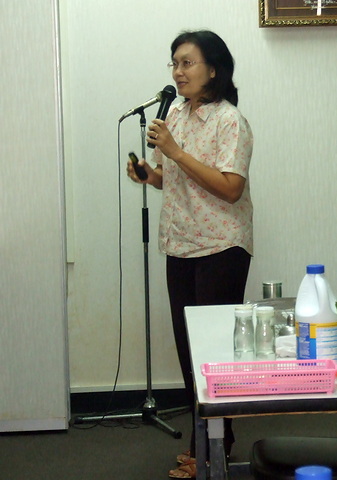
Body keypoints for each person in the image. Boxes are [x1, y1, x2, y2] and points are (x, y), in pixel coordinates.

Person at [127, 30, 253, 479]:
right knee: (188, 349)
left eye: (187, 63)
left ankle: (215, 448)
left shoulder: (230, 121)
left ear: (213, 70)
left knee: (215, 353)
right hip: (179, 243)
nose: (178, 72)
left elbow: (231, 188)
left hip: (221, 246)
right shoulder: (176, 114)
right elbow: (173, 177)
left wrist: (176, 152)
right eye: (174, 63)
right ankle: (205, 442)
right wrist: (150, 174)